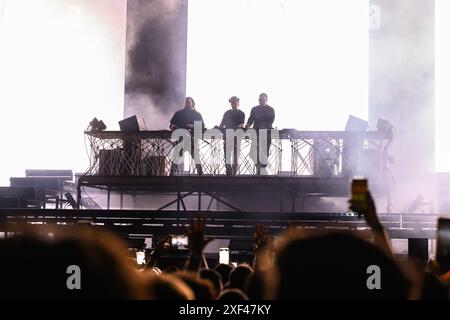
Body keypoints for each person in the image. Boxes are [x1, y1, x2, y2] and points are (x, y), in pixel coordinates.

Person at [170, 97, 204, 175]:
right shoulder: (179, 113)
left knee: (196, 157)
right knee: (176, 157)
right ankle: (172, 175)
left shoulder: (197, 115)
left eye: (188, 102)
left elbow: (201, 127)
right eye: (186, 102)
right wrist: (173, 127)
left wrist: (192, 126)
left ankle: (200, 174)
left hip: (192, 139)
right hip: (180, 139)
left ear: (192, 103)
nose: (187, 104)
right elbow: (172, 124)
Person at [245, 93, 275, 175]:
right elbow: (251, 118)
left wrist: (262, 127)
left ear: (266, 100)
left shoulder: (270, 110)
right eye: (259, 100)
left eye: (262, 100)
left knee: (264, 153)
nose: (261, 101)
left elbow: (271, 121)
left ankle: (262, 170)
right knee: (253, 153)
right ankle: (258, 168)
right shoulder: (254, 109)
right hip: (256, 133)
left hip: (266, 133)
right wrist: (248, 124)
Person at [219, 96, 246, 176]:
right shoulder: (227, 113)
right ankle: (229, 170)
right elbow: (222, 124)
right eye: (231, 103)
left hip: (236, 136)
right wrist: (220, 128)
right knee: (227, 154)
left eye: (234, 102)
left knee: (235, 154)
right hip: (227, 135)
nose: (233, 104)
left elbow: (241, 125)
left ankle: (234, 172)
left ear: (238, 102)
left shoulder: (241, 113)